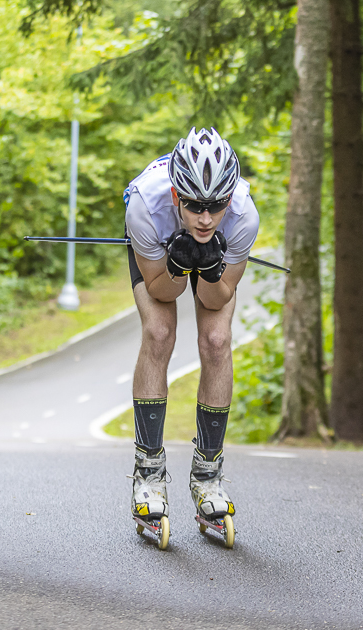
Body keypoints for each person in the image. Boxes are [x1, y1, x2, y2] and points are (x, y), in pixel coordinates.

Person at [122, 127, 259, 537]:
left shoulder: (243, 218)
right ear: (177, 196)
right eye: (195, 206)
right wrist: (178, 266)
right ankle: (148, 473)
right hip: (160, 246)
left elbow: (217, 299)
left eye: (216, 206)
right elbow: (165, 290)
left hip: (215, 262)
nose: (205, 218)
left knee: (217, 342)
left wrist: (213, 270)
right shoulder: (145, 206)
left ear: (229, 199)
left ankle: (208, 476)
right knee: (160, 333)